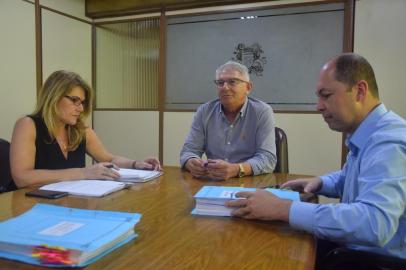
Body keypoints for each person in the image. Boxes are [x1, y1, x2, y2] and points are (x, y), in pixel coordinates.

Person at [227, 53, 406, 262]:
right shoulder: (370, 133)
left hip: (371, 262)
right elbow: (353, 176)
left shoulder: (389, 143)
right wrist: (321, 182)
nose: (318, 106)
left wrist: (284, 209)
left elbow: (374, 225)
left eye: (326, 95)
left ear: (360, 91)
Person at [10, 70, 161, 188]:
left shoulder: (80, 129)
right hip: (32, 205)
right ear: (54, 97)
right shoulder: (28, 124)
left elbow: (108, 159)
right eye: (75, 100)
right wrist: (83, 172)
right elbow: (22, 178)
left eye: (82, 102)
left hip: (70, 203)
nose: (81, 108)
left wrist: (136, 164)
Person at [180, 61, 276, 180]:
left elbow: (268, 158)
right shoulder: (205, 111)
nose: (225, 87)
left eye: (232, 82)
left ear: (248, 87)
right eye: (220, 83)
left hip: (249, 182)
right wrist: (191, 162)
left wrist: (237, 169)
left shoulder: (262, 112)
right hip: (213, 182)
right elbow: (188, 151)